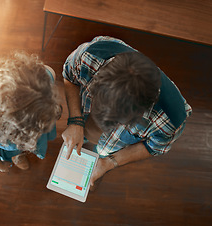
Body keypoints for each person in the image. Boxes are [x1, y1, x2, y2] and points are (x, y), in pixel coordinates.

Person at [61, 36, 192, 190]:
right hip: (81, 127)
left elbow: (153, 148)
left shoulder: (172, 120)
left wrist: (108, 163)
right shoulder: (90, 55)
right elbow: (70, 77)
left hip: (109, 149)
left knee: (92, 176)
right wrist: (76, 120)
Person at [0, 51, 62, 172]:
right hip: (12, 138)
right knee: (16, 149)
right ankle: (18, 155)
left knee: (34, 143)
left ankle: (27, 149)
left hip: (34, 119)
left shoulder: (45, 77)